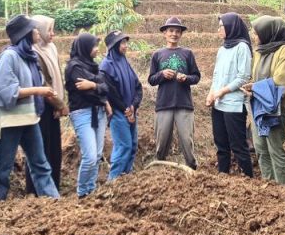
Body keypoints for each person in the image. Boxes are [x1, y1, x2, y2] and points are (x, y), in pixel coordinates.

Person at [0, 15, 61, 201]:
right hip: (9, 121)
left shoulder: (30, 56)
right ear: (25, 34)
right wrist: (38, 91)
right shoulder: (9, 57)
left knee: (41, 165)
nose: (37, 32)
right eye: (34, 29)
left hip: (29, 118)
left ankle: (54, 203)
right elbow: (4, 91)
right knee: (2, 169)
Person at [242, 16, 285, 184]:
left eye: (256, 33)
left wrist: (255, 87)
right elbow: (253, 75)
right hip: (258, 104)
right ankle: (268, 184)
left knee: (275, 148)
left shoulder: (284, 50)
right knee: (260, 147)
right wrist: (250, 87)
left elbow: (280, 80)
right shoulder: (259, 51)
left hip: (275, 106)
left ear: (267, 33)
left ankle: (282, 187)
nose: (253, 36)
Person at [148, 17, 201, 169]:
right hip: (164, 104)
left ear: (181, 34)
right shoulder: (157, 54)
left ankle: (192, 168)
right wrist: (162, 74)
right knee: (162, 140)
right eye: (171, 31)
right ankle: (159, 168)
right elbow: (151, 79)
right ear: (164, 33)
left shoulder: (187, 53)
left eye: (177, 31)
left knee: (187, 140)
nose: (174, 34)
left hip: (184, 103)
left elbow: (196, 77)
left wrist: (186, 78)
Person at [65, 33, 112, 197]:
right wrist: (98, 86)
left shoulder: (93, 65)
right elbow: (89, 93)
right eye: (93, 46)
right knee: (90, 156)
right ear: (84, 47)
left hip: (98, 112)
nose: (96, 49)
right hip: (83, 113)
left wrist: (93, 84)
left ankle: (91, 190)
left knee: (98, 155)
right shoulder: (74, 67)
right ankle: (83, 192)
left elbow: (106, 87)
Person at [206, 13, 253, 177]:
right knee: (221, 143)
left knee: (238, 144)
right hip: (219, 104)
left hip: (233, 104)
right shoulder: (222, 49)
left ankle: (248, 177)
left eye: (221, 26)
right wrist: (211, 93)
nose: (219, 30)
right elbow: (216, 75)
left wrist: (222, 91)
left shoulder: (242, 47)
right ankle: (223, 175)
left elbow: (243, 77)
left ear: (231, 27)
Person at [25, 15, 67, 194]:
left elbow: (57, 78)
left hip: (54, 106)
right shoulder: (34, 52)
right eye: (49, 30)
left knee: (54, 151)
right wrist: (59, 104)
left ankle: (53, 190)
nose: (52, 34)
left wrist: (60, 102)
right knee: (39, 152)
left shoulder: (52, 48)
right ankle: (35, 193)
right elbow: (43, 82)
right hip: (42, 107)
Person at [101, 30, 143, 180]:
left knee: (132, 146)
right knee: (123, 146)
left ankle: (126, 180)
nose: (126, 46)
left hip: (130, 110)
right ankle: (113, 182)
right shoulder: (106, 67)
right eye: (122, 43)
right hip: (118, 114)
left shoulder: (124, 62)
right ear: (114, 46)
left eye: (126, 43)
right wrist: (126, 110)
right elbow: (111, 94)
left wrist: (134, 105)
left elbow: (138, 86)